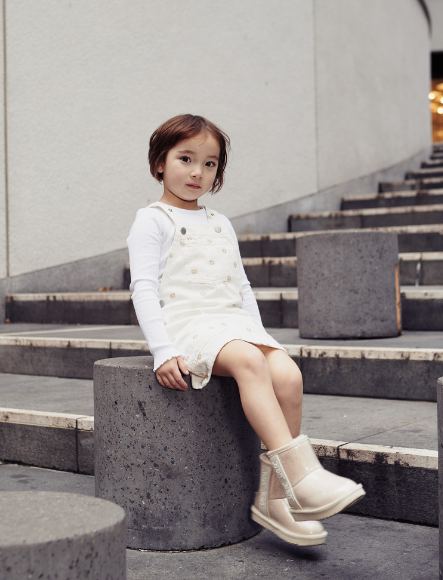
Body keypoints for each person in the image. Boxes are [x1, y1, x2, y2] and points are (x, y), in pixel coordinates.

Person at [127, 114, 365, 547]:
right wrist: (162, 350)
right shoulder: (152, 219)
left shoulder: (221, 222)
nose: (198, 172)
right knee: (249, 361)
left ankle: (274, 500)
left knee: (288, 374)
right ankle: (301, 478)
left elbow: (242, 286)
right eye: (185, 159)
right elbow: (142, 287)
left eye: (210, 164)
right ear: (159, 162)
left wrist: (260, 335)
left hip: (233, 323)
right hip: (186, 323)